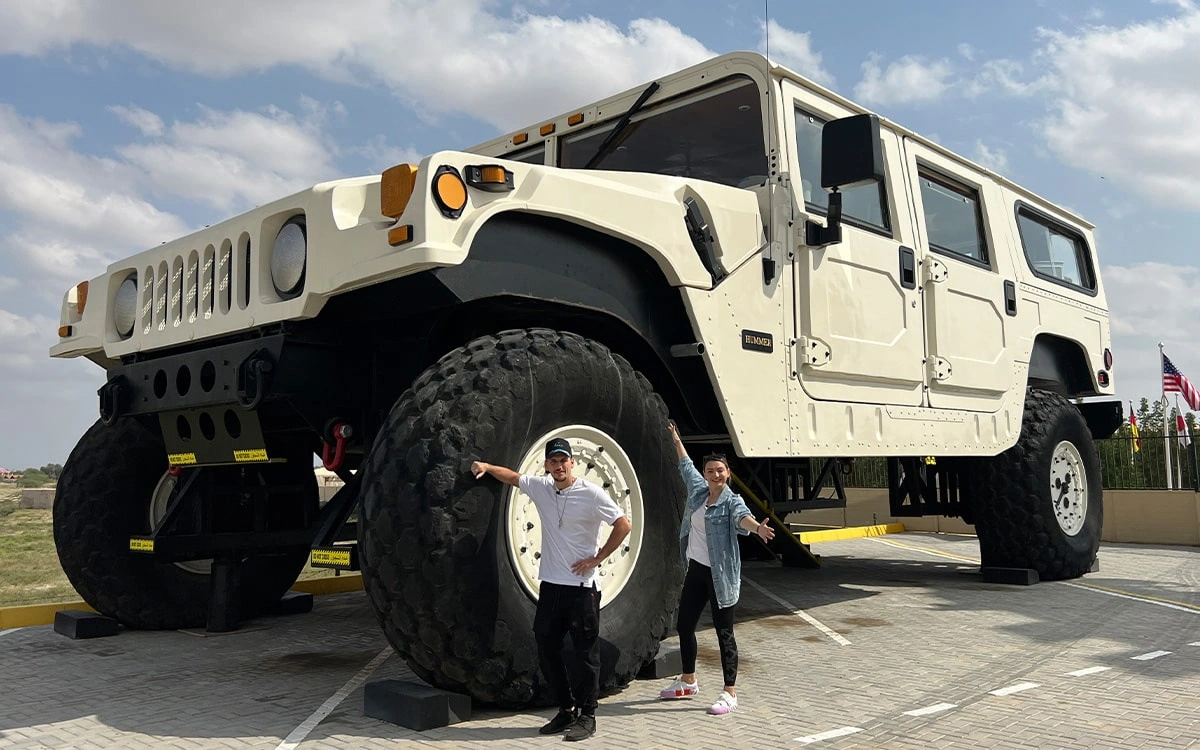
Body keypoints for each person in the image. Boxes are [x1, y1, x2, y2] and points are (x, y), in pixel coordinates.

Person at [472, 437, 632, 742]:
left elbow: (623, 525)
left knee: (586, 654)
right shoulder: (542, 487)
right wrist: (487, 467)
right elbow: (513, 477)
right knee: (547, 648)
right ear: (547, 465)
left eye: (563, 461)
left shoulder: (591, 493)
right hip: (551, 586)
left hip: (582, 589)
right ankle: (566, 709)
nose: (559, 466)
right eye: (553, 461)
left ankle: (588, 715)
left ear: (572, 462)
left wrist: (597, 558)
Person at [658, 422, 774, 715]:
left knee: (725, 633)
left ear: (728, 473)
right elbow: (686, 466)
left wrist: (758, 529)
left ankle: (730, 692)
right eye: (710, 470)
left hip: (720, 577)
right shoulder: (699, 492)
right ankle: (688, 680)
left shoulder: (732, 501)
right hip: (697, 571)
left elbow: (742, 518)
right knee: (685, 626)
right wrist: (676, 439)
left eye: (720, 470)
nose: (715, 474)